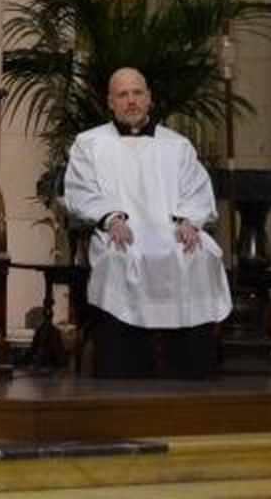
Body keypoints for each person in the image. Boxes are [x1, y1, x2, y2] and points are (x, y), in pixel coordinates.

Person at [64, 67, 232, 377]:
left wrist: (189, 220)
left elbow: (196, 190)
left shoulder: (176, 145)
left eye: (137, 93)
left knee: (199, 253)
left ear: (149, 99)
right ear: (110, 102)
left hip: (170, 231)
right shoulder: (89, 143)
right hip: (121, 231)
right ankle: (122, 363)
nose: (131, 101)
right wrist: (110, 217)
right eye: (123, 95)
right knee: (118, 256)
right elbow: (81, 190)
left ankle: (192, 365)